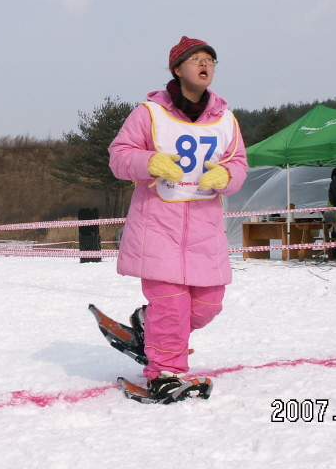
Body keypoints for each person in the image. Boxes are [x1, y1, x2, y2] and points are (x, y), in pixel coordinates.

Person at [108, 36, 248, 402]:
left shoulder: (226, 120)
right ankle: (164, 373)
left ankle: (149, 326)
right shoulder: (149, 113)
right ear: (177, 68)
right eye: (197, 59)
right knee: (170, 305)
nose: (205, 65)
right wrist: (147, 162)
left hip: (205, 228)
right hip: (157, 225)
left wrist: (228, 176)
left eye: (211, 60)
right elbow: (119, 155)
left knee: (207, 306)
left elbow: (239, 163)